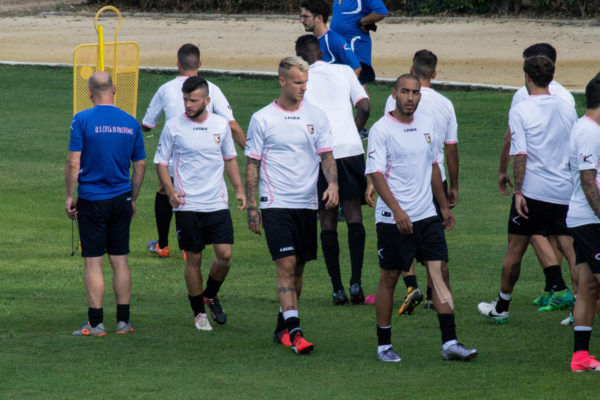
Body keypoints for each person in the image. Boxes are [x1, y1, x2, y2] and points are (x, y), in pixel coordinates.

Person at [366, 73, 477, 363]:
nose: (411, 98)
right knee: (389, 278)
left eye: (415, 93)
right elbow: (376, 174)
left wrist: (443, 207)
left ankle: (450, 342)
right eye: (405, 92)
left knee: (438, 273)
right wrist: (397, 211)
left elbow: (433, 167)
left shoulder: (427, 125)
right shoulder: (381, 130)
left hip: (427, 215)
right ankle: (383, 346)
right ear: (394, 94)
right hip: (393, 219)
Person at [245, 56, 339, 354]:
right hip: (275, 203)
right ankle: (297, 334)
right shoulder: (262, 118)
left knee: (298, 270)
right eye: (298, 82)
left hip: (307, 204)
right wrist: (252, 206)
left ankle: (282, 326)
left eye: (305, 82)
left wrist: (333, 184)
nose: (303, 88)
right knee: (285, 265)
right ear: (282, 81)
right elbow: (252, 164)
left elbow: (326, 156)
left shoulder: (316, 116)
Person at [478, 55, 577, 324]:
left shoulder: (521, 109)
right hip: (564, 191)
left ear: (527, 77)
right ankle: (579, 309)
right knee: (571, 252)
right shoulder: (566, 107)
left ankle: (502, 307)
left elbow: (520, 153)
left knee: (515, 250)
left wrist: (519, 191)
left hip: (533, 192)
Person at [153, 76, 245, 331]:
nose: (188, 105)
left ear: (207, 100)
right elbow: (161, 162)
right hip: (187, 205)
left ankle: (210, 293)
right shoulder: (174, 126)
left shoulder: (220, 125)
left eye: (193, 100)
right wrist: (170, 191)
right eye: (185, 100)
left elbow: (229, 158)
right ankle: (198, 313)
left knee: (225, 255)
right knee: (193, 257)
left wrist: (239, 189)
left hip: (216, 203)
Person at [142, 43, 246, 258]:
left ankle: (163, 244)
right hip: (202, 160)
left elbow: (148, 124)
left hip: (174, 158)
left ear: (177, 64)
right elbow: (232, 125)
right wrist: (252, 153)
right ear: (200, 63)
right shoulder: (212, 89)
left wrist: (136, 128)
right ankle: (187, 248)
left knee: (166, 192)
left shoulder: (165, 88)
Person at [65, 71, 146, 336]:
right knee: (120, 259)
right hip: (121, 198)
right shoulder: (131, 122)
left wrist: (69, 195)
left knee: (93, 262)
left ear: (89, 92)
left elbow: (73, 162)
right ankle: (123, 322)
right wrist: (132, 198)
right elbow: (140, 164)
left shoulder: (82, 119)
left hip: (92, 199)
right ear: (115, 89)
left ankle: (96, 323)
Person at [382, 49, 459, 314]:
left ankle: (411, 286)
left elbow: (387, 141)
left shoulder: (395, 101)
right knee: (434, 245)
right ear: (434, 73)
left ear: (412, 70)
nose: (410, 97)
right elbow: (450, 149)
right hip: (435, 183)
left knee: (406, 236)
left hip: (405, 180)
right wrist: (453, 187)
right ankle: (431, 295)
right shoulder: (445, 104)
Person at [295, 34, 370, 305]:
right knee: (353, 215)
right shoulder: (344, 71)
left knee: (327, 219)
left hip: (321, 154)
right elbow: (364, 106)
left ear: (300, 59)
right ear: (321, 52)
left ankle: (337, 288)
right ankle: (356, 282)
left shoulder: (301, 81)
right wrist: (353, 130)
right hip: (350, 150)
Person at [566, 73, 600, 371]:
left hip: (585, 219)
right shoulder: (589, 132)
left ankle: (580, 357)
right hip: (591, 221)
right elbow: (588, 181)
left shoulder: (587, 127)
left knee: (588, 286)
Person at [330, 0, 388, 86]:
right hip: (341, 51)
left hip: (355, 50)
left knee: (357, 86)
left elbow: (381, 11)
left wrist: (362, 21)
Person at [299, 0, 362, 77]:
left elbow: (356, 68)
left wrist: (343, 84)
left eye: (305, 17)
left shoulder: (334, 40)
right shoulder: (310, 41)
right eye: (301, 16)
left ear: (319, 18)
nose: (301, 20)